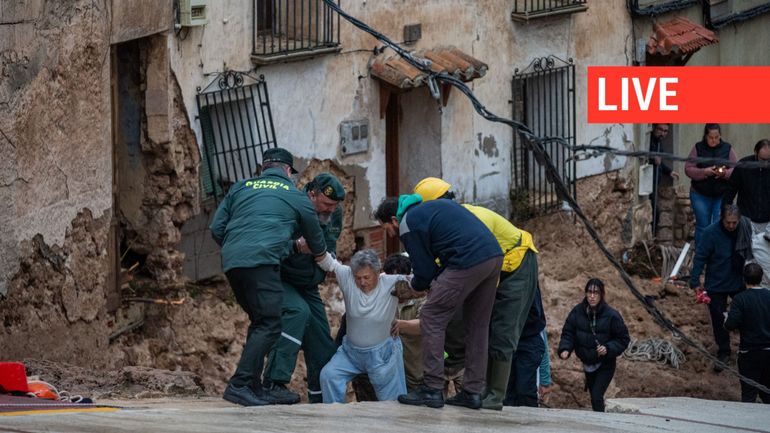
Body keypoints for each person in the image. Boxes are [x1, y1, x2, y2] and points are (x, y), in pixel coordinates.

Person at [209, 147, 330, 406]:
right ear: (288, 171)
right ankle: (240, 385)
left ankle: (254, 386)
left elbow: (216, 227)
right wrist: (321, 258)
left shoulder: (240, 188)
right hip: (262, 263)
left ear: (263, 167)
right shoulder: (295, 195)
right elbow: (316, 240)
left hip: (232, 262)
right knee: (271, 323)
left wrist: (237, 249)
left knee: (261, 321)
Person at [413, 177, 541, 410]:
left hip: (517, 265)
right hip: (490, 270)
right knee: (471, 322)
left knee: (503, 329)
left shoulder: (471, 218)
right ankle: (474, 388)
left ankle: (495, 395)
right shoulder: (447, 225)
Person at [376, 195, 502, 409]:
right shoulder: (431, 209)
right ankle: (472, 392)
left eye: (386, 228)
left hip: (467, 260)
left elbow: (424, 273)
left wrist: (412, 287)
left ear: (393, 220)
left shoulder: (408, 222)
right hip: (493, 256)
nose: (389, 233)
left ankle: (432, 388)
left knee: (431, 316)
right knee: (478, 325)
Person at [263, 172, 346, 403]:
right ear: (312, 194)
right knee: (297, 313)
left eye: (334, 206)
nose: (330, 210)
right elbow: (273, 246)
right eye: (327, 204)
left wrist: (332, 264)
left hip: (309, 284)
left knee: (322, 343)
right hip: (282, 278)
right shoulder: (290, 208)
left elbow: (331, 242)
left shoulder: (333, 213)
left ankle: (321, 404)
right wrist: (297, 247)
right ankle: (273, 383)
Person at [316, 250, 407, 403]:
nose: (362, 282)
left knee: (392, 402)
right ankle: (333, 420)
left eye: (366, 277)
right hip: (350, 353)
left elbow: (421, 283)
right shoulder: (347, 277)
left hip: (381, 355)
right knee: (329, 375)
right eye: (358, 278)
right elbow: (326, 261)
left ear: (378, 273)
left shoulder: (393, 283)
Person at [557, 278, 630, 412]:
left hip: (605, 364)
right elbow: (569, 332)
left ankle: (601, 424)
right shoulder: (577, 312)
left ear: (601, 294)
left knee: (597, 395)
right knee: (593, 397)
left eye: (595, 293)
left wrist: (608, 348)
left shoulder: (612, 315)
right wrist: (565, 348)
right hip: (588, 363)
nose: (592, 296)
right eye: (589, 292)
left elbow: (623, 339)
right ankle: (599, 419)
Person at [690, 204, 747, 371]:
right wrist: (695, 281)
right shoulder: (710, 233)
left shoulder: (745, 229)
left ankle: (746, 348)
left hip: (738, 280)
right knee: (717, 318)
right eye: (728, 222)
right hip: (716, 282)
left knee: (746, 315)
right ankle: (724, 350)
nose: (731, 226)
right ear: (722, 219)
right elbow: (700, 257)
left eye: (734, 223)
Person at [684, 123, 737, 244]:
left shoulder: (727, 148)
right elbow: (688, 168)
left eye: (717, 137)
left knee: (718, 224)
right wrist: (704, 172)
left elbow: (736, 169)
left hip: (721, 194)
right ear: (705, 136)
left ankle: (716, 254)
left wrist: (725, 173)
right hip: (700, 194)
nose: (714, 140)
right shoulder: (697, 148)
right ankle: (702, 254)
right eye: (711, 138)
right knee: (703, 225)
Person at [725, 263, 770, 403]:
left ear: (744, 279)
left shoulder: (740, 299)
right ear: (761, 278)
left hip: (749, 353)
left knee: (749, 395)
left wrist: (726, 318)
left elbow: (731, 324)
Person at [503, 286, 546, 408]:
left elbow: (536, 317)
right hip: (510, 341)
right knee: (507, 392)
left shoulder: (528, 283)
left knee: (524, 391)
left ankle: (530, 424)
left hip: (528, 341)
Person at [725, 138, 770, 235]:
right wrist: (725, 212)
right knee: (745, 248)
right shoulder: (743, 166)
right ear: (756, 153)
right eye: (762, 159)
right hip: (746, 219)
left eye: (768, 160)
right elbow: (730, 190)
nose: (765, 163)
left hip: (768, 221)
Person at [648, 123, 679, 234]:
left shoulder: (659, 142)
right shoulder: (650, 140)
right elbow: (646, 155)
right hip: (648, 183)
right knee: (653, 213)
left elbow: (659, 163)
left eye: (665, 131)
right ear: (654, 128)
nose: (663, 133)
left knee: (656, 213)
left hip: (655, 183)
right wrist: (652, 157)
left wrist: (669, 171)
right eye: (660, 129)